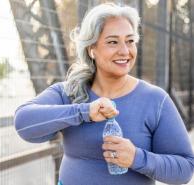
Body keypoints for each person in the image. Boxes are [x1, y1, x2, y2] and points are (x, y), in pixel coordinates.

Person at [14, 3, 194, 185]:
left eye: (130, 41)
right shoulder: (69, 92)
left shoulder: (155, 100)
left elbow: (185, 169)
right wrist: (84, 112)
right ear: (92, 49)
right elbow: (23, 124)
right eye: (112, 42)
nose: (125, 51)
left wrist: (137, 158)